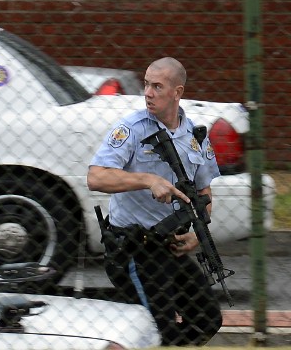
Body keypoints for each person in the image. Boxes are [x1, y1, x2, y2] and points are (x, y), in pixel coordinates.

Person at [87, 57, 222, 345]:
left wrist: (197, 233)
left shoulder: (195, 136)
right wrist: (147, 179)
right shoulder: (132, 130)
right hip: (135, 249)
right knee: (157, 330)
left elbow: (204, 193)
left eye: (157, 86)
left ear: (177, 92)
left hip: (170, 248)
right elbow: (96, 177)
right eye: (147, 84)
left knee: (209, 318)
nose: (147, 92)